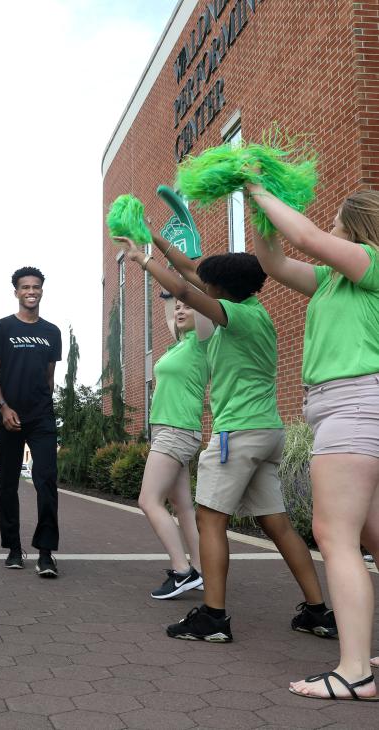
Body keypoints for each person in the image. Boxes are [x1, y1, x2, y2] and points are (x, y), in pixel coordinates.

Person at [114, 231, 335, 644]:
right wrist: (154, 239)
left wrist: (141, 261)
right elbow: (190, 272)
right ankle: (317, 612)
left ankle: (213, 618)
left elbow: (182, 285)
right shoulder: (255, 309)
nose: (200, 285)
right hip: (267, 433)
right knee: (279, 526)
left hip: (238, 434)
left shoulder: (236, 316)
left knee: (209, 520)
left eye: (207, 284)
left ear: (219, 290)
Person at [247, 185, 379, 700]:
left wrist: (258, 186)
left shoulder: (370, 262)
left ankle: (354, 673)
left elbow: (302, 234)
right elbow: (275, 259)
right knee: (369, 535)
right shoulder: (330, 281)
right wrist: (256, 210)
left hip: (354, 403)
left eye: (336, 218)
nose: (329, 223)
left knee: (334, 534)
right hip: (342, 407)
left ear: (355, 222)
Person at [0, 266, 62, 578]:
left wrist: (40, 404)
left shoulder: (52, 332)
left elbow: (49, 377)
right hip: (8, 415)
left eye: (36, 287)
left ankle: (46, 554)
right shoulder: (2, 328)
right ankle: (14, 549)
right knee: (8, 484)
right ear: (16, 292)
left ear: (42, 290)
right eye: (25, 287)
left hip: (41, 416)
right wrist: (4, 408)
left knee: (46, 481)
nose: (31, 291)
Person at [139, 285, 205, 599]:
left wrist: (188, 275)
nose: (179, 311)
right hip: (172, 429)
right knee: (183, 507)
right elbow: (171, 307)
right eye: (177, 306)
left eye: (187, 307)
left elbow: (202, 300)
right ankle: (203, 572)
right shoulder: (181, 344)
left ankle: (182, 571)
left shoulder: (204, 341)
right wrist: (153, 267)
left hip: (176, 431)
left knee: (148, 501)